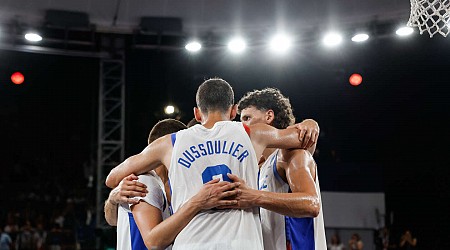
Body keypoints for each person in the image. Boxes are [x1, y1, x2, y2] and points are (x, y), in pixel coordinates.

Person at [106, 78, 308, 249]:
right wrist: (310, 123)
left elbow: (112, 177)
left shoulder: (170, 143)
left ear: (196, 113)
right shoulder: (252, 133)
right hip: (242, 243)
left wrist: (118, 190)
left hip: (192, 243)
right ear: (233, 111)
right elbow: (302, 138)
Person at [104, 118, 240, 249]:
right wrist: (197, 203)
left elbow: (114, 221)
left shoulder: (173, 185)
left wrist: (112, 201)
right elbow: (154, 242)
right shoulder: (144, 182)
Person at [232, 87, 327, 250]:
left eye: (247, 118)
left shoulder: (291, 154)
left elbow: (311, 204)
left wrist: (254, 196)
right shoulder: (259, 166)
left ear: (269, 116)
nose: (243, 127)